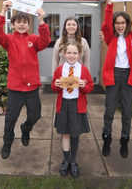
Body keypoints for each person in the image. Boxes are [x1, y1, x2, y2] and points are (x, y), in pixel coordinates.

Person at [0, 0, 51, 159]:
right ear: (13, 25)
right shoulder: (9, 40)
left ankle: (26, 128)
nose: (22, 24)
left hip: (31, 88)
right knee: (10, 119)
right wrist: (3, 11)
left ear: (28, 25)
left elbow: (45, 41)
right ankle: (7, 143)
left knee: (35, 115)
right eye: (18, 22)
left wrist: (41, 21)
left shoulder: (33, 39)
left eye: (25, 22)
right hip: (15, 88)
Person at [101, 0, 132, 159]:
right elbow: (105, 24)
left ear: (127, 24)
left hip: (128, 75)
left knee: (127, 111)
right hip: (113, 75)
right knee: (109, 110)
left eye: (123, 23)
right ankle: (106, 138)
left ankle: (124, 140)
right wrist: (109, 4)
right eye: (117, 23)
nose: (119, 25)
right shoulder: (109, 37)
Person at [51, 42, 94, 178]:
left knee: (75, 134)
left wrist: (83, 85)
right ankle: (66, 161)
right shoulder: (60, 69)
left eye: (75, 53)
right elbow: (53, 87)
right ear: (64, 54)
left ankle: (74, 161)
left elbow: (90, 87)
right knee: (65, 134)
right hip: (64, 105)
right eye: (69, 52)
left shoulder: (83, 70)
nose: (71, 55)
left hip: (77, 105)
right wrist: (56, 84)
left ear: (79, 54)